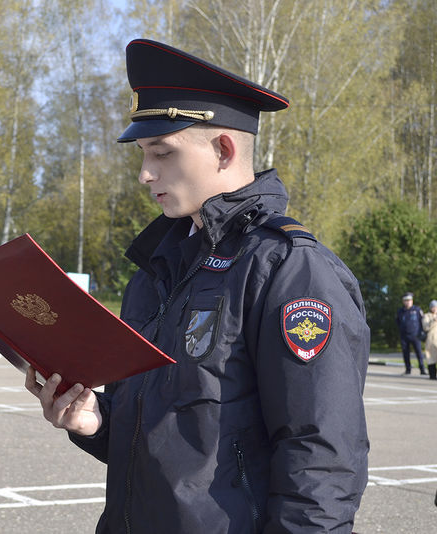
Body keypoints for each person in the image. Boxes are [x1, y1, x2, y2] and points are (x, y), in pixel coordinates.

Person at [26, 38, 370, 533]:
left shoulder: (289, 269)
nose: (145, 174)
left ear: (224, 149)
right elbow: (164, 436)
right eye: (144, 154)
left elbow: (321, 458)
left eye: (162, 153)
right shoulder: (156, 270)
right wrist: (94, 421)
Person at [397, 292, 426, 375]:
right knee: (406, 353)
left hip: (415, 335)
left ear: (412, 301)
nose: (408, 302)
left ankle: (422, 369)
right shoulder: (400, 311)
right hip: (404, 336)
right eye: (406, 300)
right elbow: (398, 322)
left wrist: (422, 333)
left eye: (409, 300)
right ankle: (408, 369)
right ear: (403, 301)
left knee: (419, 353)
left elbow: (422, 322)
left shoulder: (417, 310)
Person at [422, 299, 437, 379]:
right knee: (431, 358)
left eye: (436, 307)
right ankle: (432, 375)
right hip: (430, 340)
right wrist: (433, 321)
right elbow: (425, 327)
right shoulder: (427, 316)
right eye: (433, 307)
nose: (434, 309)